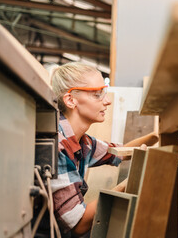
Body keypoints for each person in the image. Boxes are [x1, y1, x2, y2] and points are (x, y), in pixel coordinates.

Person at [50, 62, 158, 237]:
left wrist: (156, 136)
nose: (107, 101)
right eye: (97, 95)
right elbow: (78, 224)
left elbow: (118, 152)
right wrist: (131, 181)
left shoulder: (82, 142)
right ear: (71, 100)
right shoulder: (59, 146)